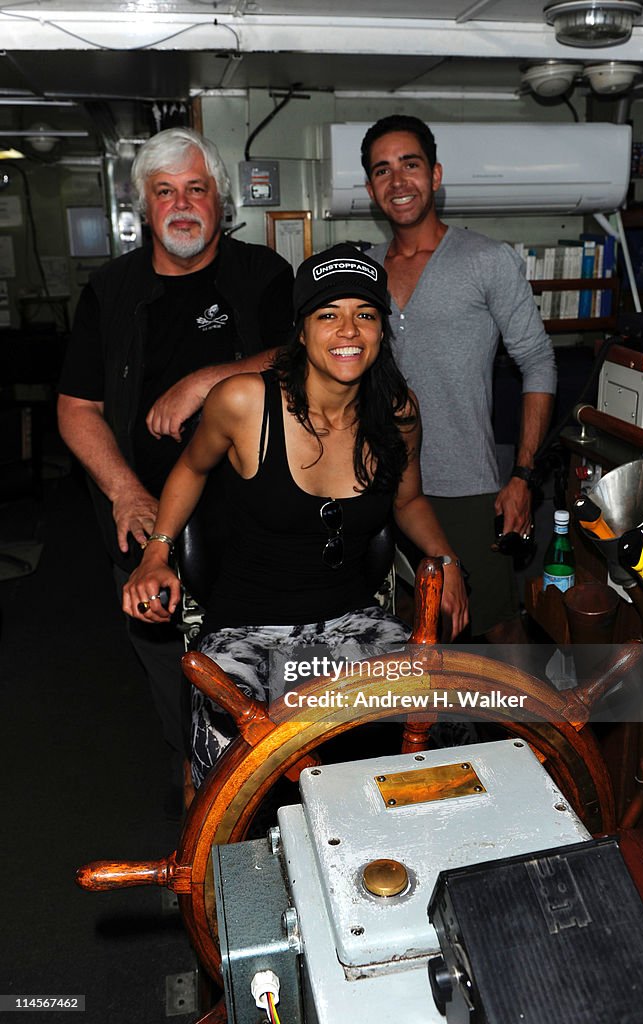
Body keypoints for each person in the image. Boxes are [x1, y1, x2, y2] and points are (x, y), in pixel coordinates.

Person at [121, 244, 468, 786]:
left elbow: (408, 501)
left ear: (382, 331)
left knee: (447, 739)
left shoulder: (398, 412)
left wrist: (445, 558)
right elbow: (190, 470)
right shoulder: (243, 402)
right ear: (301, 331)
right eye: (328, 315)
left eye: (366, 315)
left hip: (354, 623)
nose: (348, 331)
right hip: (247, 629)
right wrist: (157, 552)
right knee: (237, 779)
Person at [57, 127, 294, 812]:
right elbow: (76, 408)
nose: (182, 204)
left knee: (258, 670)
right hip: (145, 529)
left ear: (220, 201)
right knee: (173, 674)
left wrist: (205, 381)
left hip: (252, 523)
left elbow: (301, 358)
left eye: (197, 189)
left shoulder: (263, 276)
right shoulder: (109, 291)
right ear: (144, 206)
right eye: (166, 192)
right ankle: (197, 792)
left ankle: (267, 796)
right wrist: (126, 494)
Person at [360, 115, 557, 643]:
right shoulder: (365, 272)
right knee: (403, 629)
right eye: (383, 170)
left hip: (467, 485)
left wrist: (522, 477)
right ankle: (434, 729)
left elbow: (538, 361)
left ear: (436, 174)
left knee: (498, 629)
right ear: (370, 187)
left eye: (410, 164)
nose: (398, 181)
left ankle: (533, 727)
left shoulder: (487, 260)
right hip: (379, 483)